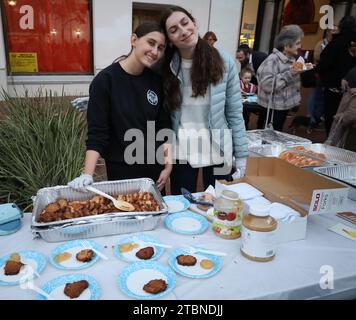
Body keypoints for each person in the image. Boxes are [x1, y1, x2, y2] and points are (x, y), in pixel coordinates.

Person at [68, 22, 172, 192]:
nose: (155, 52)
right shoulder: (105, 81)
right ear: (134, 40)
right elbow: (97, 133)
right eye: (151, 43)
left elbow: (164, 127)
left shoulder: (156, 81)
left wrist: (168, 166)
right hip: (121, 169)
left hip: (154, 168)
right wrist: (87, 174)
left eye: (160, 48)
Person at [159, 6, 248, 195]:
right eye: (174, 30)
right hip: (182, 151)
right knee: (183, 205)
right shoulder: (167, 67)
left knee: (220, 208)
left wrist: (241, 156)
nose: (183, 31)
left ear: (194, 23)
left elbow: (234, 112)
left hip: (219, 149)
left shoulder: (224, 62)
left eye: (185, 23)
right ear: (170, 41)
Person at [257, 25, 311, 131]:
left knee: (277, 133)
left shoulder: (291, 59)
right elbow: (267, 85)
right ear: (286, 46)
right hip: (273, 107)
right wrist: (291, 73)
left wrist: (303, 69)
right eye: (297, 43)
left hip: (282, 106)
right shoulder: (273, 60)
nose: (300, 46)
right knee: (270, 136)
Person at [316, 15, 356, 135]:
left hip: (334, 87)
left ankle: (332, 141)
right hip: (353, 89)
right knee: (350, 118)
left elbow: (324, 62)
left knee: (333, 117)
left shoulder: (336, 42)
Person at [325, 65, 356, 148]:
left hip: (351, 116)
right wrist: (346, 78)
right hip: (349, 98)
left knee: (348, 149)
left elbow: (350, 116)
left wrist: (341, 117)